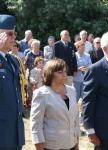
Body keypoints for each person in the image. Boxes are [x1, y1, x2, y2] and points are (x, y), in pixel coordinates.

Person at [30, 59, 80, 150]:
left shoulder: (72, 90)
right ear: (50, 74)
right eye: (60, 72)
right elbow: (36, 125)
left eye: (65, 71)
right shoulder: (41, 94)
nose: (64, 75)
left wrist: (76, 145)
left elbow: (75, 119)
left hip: (71, 144)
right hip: (52, 146)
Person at [0, 14, 25, 150]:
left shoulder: (13, 61)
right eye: (9, 34)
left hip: (15, 130)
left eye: (14, 34)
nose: (13, 37)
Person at [25, 39, 43, 106]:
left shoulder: (41, 53)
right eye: (35, 45)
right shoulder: (29, 54)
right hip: (31, 74)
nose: (36, 46)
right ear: (32, 46)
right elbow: (25, 64)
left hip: (40, 74)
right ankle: (30, 103)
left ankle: (39, 104)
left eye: (38, 45)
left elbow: (44, 63)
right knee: (30, 90)